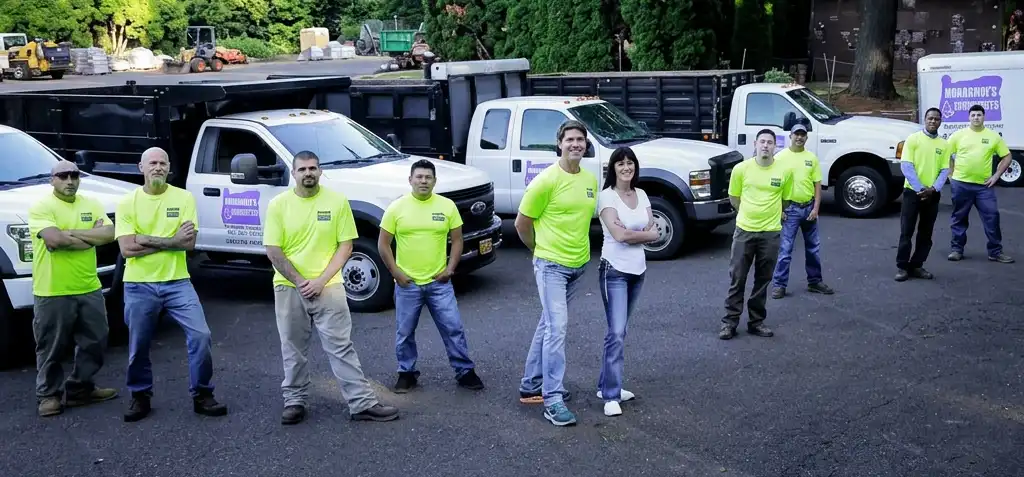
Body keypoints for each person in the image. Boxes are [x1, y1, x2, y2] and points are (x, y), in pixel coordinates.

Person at [263, 150, 399, 425]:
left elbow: (345, 246)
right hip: (289, 287)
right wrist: (301, 282)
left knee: (341, 347)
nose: (308, 173)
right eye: (302, 169)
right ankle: (294, 401)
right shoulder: (278, 205)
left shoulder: (337, 202)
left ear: (320, 171)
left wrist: (321, 281)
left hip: (330, 286)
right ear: (294, 173)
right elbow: (273, 250)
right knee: (293, 348)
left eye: (313, 168)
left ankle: (361, 404)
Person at [115, 147, 226, 422]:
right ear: (141, 167)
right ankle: (140, 395)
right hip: (139, 284)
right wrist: (170, 241)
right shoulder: (127, 202)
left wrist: (148, 239)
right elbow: (127, 249)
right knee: (138, 344)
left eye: (163, 163)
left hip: (178, 282)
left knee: (201, 336)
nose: (158, 168)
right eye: (152, 163)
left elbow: (188, 244)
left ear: (169, 167)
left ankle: (202, 393)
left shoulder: (184, 197)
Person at [514, 119, 599, 427]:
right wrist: (540, 251)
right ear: (559, 143)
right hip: (551, 265)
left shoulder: (590, 179)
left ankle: (530, 384)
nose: (575, 144)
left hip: (578, 265)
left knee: (548, 325)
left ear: (585, 145)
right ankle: (552, 399)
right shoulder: (546, 180)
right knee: (557, 329)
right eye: (570, 139)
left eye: (580, 139)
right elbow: (522, 224)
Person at [378, 159, 484, 393]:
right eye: (419, 177)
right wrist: (396, 273)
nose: (423, 181)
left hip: (439, 283)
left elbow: (457, 240)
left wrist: (450, 269)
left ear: (435, 181)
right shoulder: (397, 208)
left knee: (453, 327)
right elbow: (383, 244)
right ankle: (406, 373)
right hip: (408, 284)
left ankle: (465, 371)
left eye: (428, 177)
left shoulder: (447, 206)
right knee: (404, 332)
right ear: (410, 180)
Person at [28, 160, 118, 417]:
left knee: (96, 339)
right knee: (51, 346)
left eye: (74, 175)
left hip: (88, 286)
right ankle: (48, 395)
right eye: (63, 176)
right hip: (52, 289)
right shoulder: (42, 207)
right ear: (52, 180)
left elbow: (109, 234)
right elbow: (54, 240)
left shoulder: (91, 204)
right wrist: (88, 237)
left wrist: (70, 235)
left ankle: (81, 388)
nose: (70, 181)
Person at [595, 147, 659, 417]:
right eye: (620, 164)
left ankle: (606, 385)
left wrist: (633, 232)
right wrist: (640, 233)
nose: (626, 168)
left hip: (638, 270)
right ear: (613, 168)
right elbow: (618, 236)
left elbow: (655, 231)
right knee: (617, 332)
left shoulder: (641, 194)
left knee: (618, 331)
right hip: (615, 270)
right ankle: (610, 395)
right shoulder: (606, 196)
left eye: (630, 163)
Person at [721, 129, 794, 340]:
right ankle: (730, 323)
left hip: (770, 233)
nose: (765, 146)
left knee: (763, 279)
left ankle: (756, 322)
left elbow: (786, 200)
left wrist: (770, 217)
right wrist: (747, 214)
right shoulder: (741, 169)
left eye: (770, 142)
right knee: (737, 278)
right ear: (755, 144)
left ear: (775, 146)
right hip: (744, 231)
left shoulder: (785, 171)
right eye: (762, 141)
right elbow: (734, 198)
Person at [771, 124, 834, 299]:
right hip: (790, 209)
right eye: (796, 134)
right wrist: (779, 209)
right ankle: (779, 285)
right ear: (790, 136)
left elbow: (817, 185)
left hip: (809, 208)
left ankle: (815, 281)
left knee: (813, 248)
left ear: (806, 138)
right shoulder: (781, 157)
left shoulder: (811, 158)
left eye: (803, 135)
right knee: (785, 250)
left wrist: (816, 208)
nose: (799, 137)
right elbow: (774, 185)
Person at [947, 104, 1014, 264]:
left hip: (984, 187)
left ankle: (995, 252)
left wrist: (996, 175)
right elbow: (947, 154)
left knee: (992, 217)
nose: (976, 117)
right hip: (961, 184)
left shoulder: (993, 136)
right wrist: (950, 175)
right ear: (969, 117)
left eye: (979, 115)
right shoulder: (958, 135)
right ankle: (957, 250)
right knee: (959, 218)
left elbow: (1007, 156)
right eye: (973, 115)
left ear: (984, 117)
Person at [895, 107, 950, 281]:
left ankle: (917, 265)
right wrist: (920, 189)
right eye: (930, 118)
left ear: (940, 121)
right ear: (925, 120)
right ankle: (902, 267)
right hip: (913, 192)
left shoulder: (944, 144)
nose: (933, 121)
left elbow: (944, 170)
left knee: (926, 233)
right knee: (907, 232)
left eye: (937, 119)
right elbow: (906, 166)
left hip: (932, 195)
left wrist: (933, 189)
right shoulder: (913, 139)